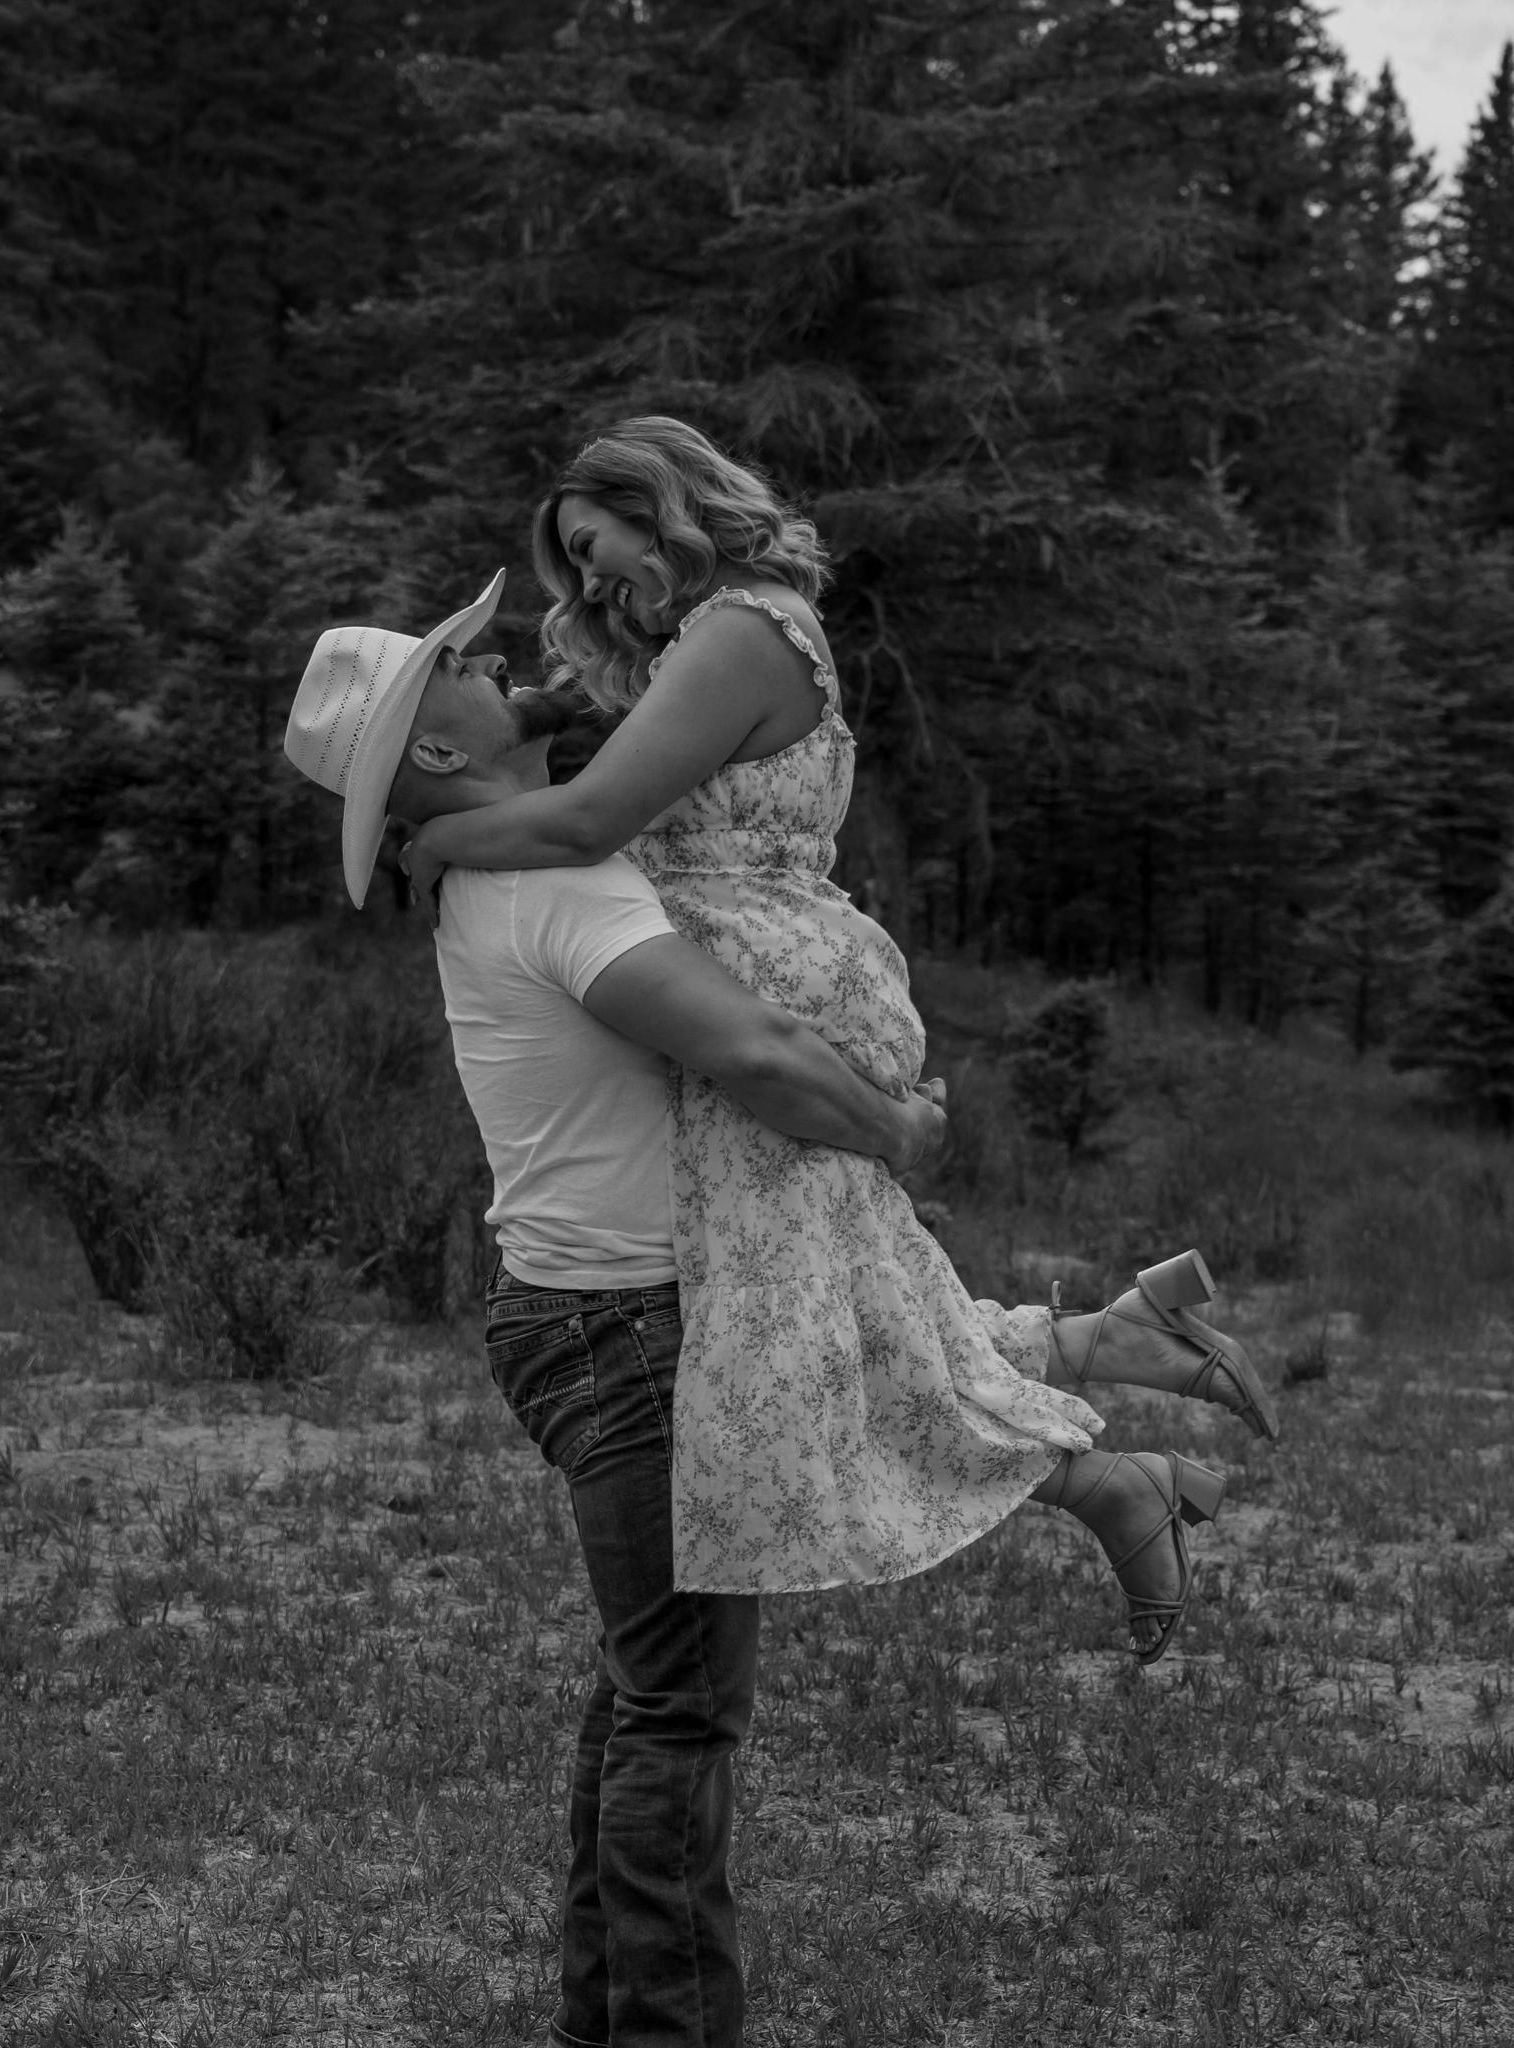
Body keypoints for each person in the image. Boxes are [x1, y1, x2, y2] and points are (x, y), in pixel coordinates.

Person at [283, 575, 1244, 2048]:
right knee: (677, 1713)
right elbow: (754, 1055)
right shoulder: (556, 887)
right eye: (462, 664)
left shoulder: (519, 868)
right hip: (625, 1331)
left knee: (647, 1697)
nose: (495, 659)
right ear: (433, 746)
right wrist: (897, 1129)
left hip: (592, 1317)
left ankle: (605, 2023)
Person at [400, 418, 1276, 1603]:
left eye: (591, 548)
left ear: (661, 511)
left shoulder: (739, 631)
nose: (587, 586)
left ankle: (1102, 1433)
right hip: (760, 962)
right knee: (817, 1291)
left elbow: (588, 820)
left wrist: (435, 839)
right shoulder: (704, 638)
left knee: (779, 1323)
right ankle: (1113, 1383)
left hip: (769, 973)